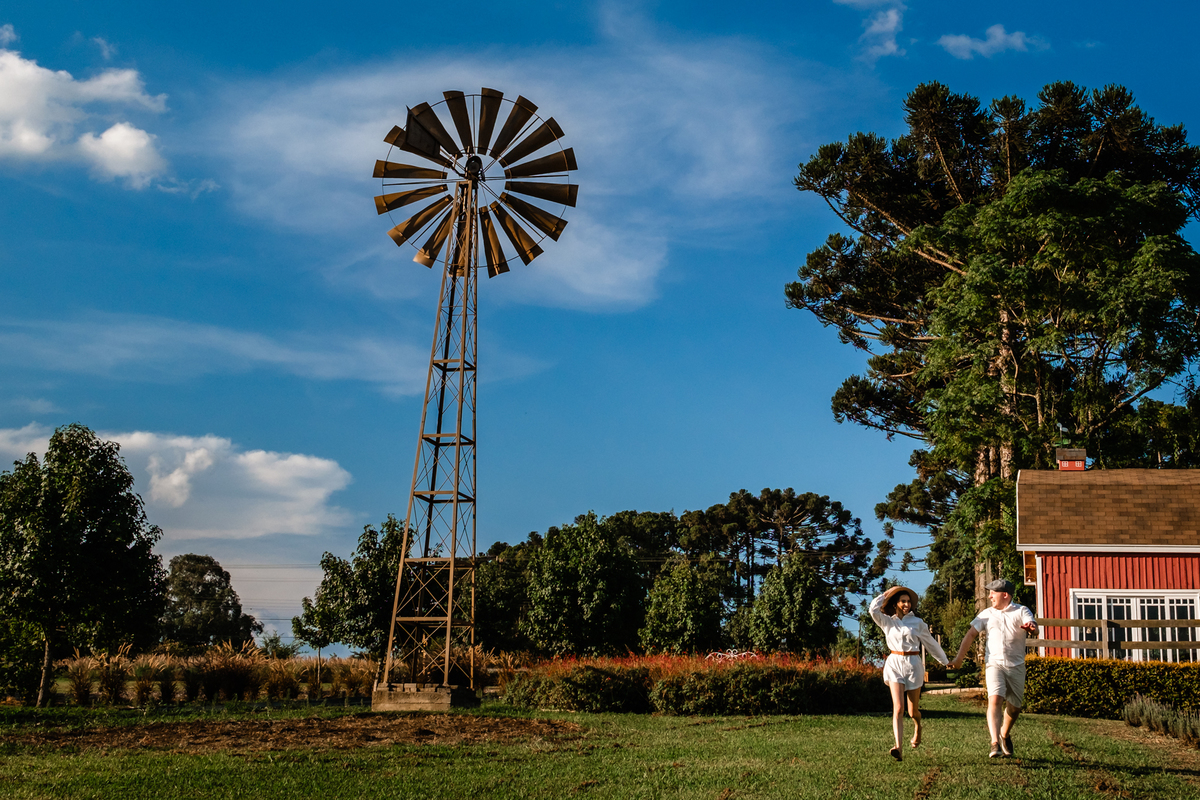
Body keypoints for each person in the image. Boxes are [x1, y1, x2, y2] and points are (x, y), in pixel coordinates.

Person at [949, 578, 1038, 758]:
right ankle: (994, 742)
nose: (989, 596)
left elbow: (1034, 628)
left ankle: (1004, 734)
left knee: (1014, 708)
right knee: (995, 699)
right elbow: (971, 634)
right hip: (994, 664)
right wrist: (958, 659)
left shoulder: (1021, 610)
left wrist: (1031, 628)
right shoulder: (986, 614)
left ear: (1005, 594)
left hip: (1017, 666)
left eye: (993, 593)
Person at [869, 585, 949, 761]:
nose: (906, 604)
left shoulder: (918, 623)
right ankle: (898, 747)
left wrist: (945, 661)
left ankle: (918, 727)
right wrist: (887, 593)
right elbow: (872, 609)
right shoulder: (887, 621)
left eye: (908, 601)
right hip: (895, 664)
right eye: (903, 601)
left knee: (913, 711)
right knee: (898, 708)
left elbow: (931, 644)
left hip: (913, 665)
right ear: (896, 603)